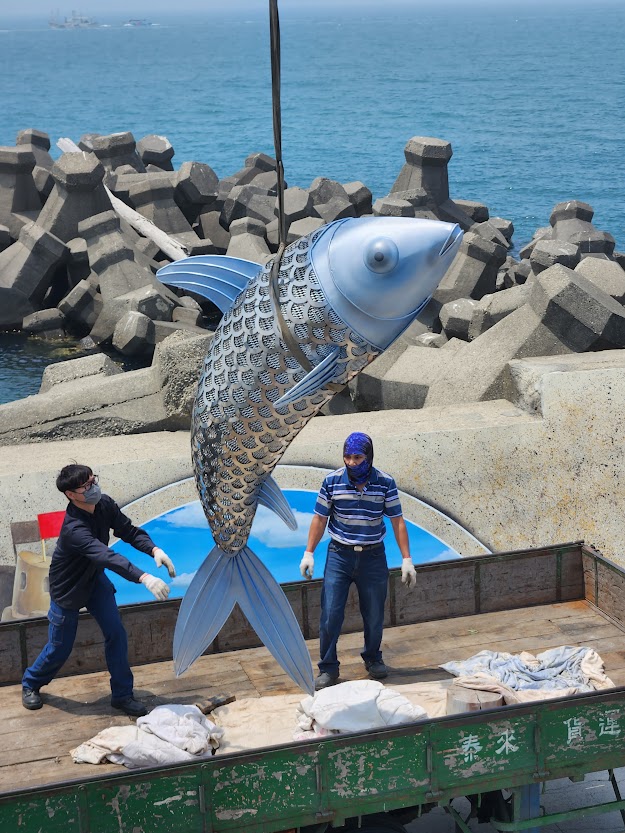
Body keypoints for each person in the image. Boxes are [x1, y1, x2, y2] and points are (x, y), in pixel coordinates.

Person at [21, 464, 176, 716]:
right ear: (71, 494)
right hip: (68, 588)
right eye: (86, 486)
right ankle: (31, 682)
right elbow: (106, 555)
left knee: (116, 633)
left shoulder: (104, 504)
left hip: (95, 580)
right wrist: (144, 577)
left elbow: (128, 531)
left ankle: (122, 695)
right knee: (60, 646)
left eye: (93, 481)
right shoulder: (74, 528)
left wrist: (154, 549)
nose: (94, 488)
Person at [300, 432, 417, 690]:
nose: (352, 462)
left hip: (373, 556)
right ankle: (328, 667)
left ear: (369, 456)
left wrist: (407, 559)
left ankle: (373, 658)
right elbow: (320, 518)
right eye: (347, 457)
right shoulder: (332, 481)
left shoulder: (385, 482)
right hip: (339, 555)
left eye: (357, 457)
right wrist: (309, 552)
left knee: (374, 613)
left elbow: (397, 521)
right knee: (330, 613)